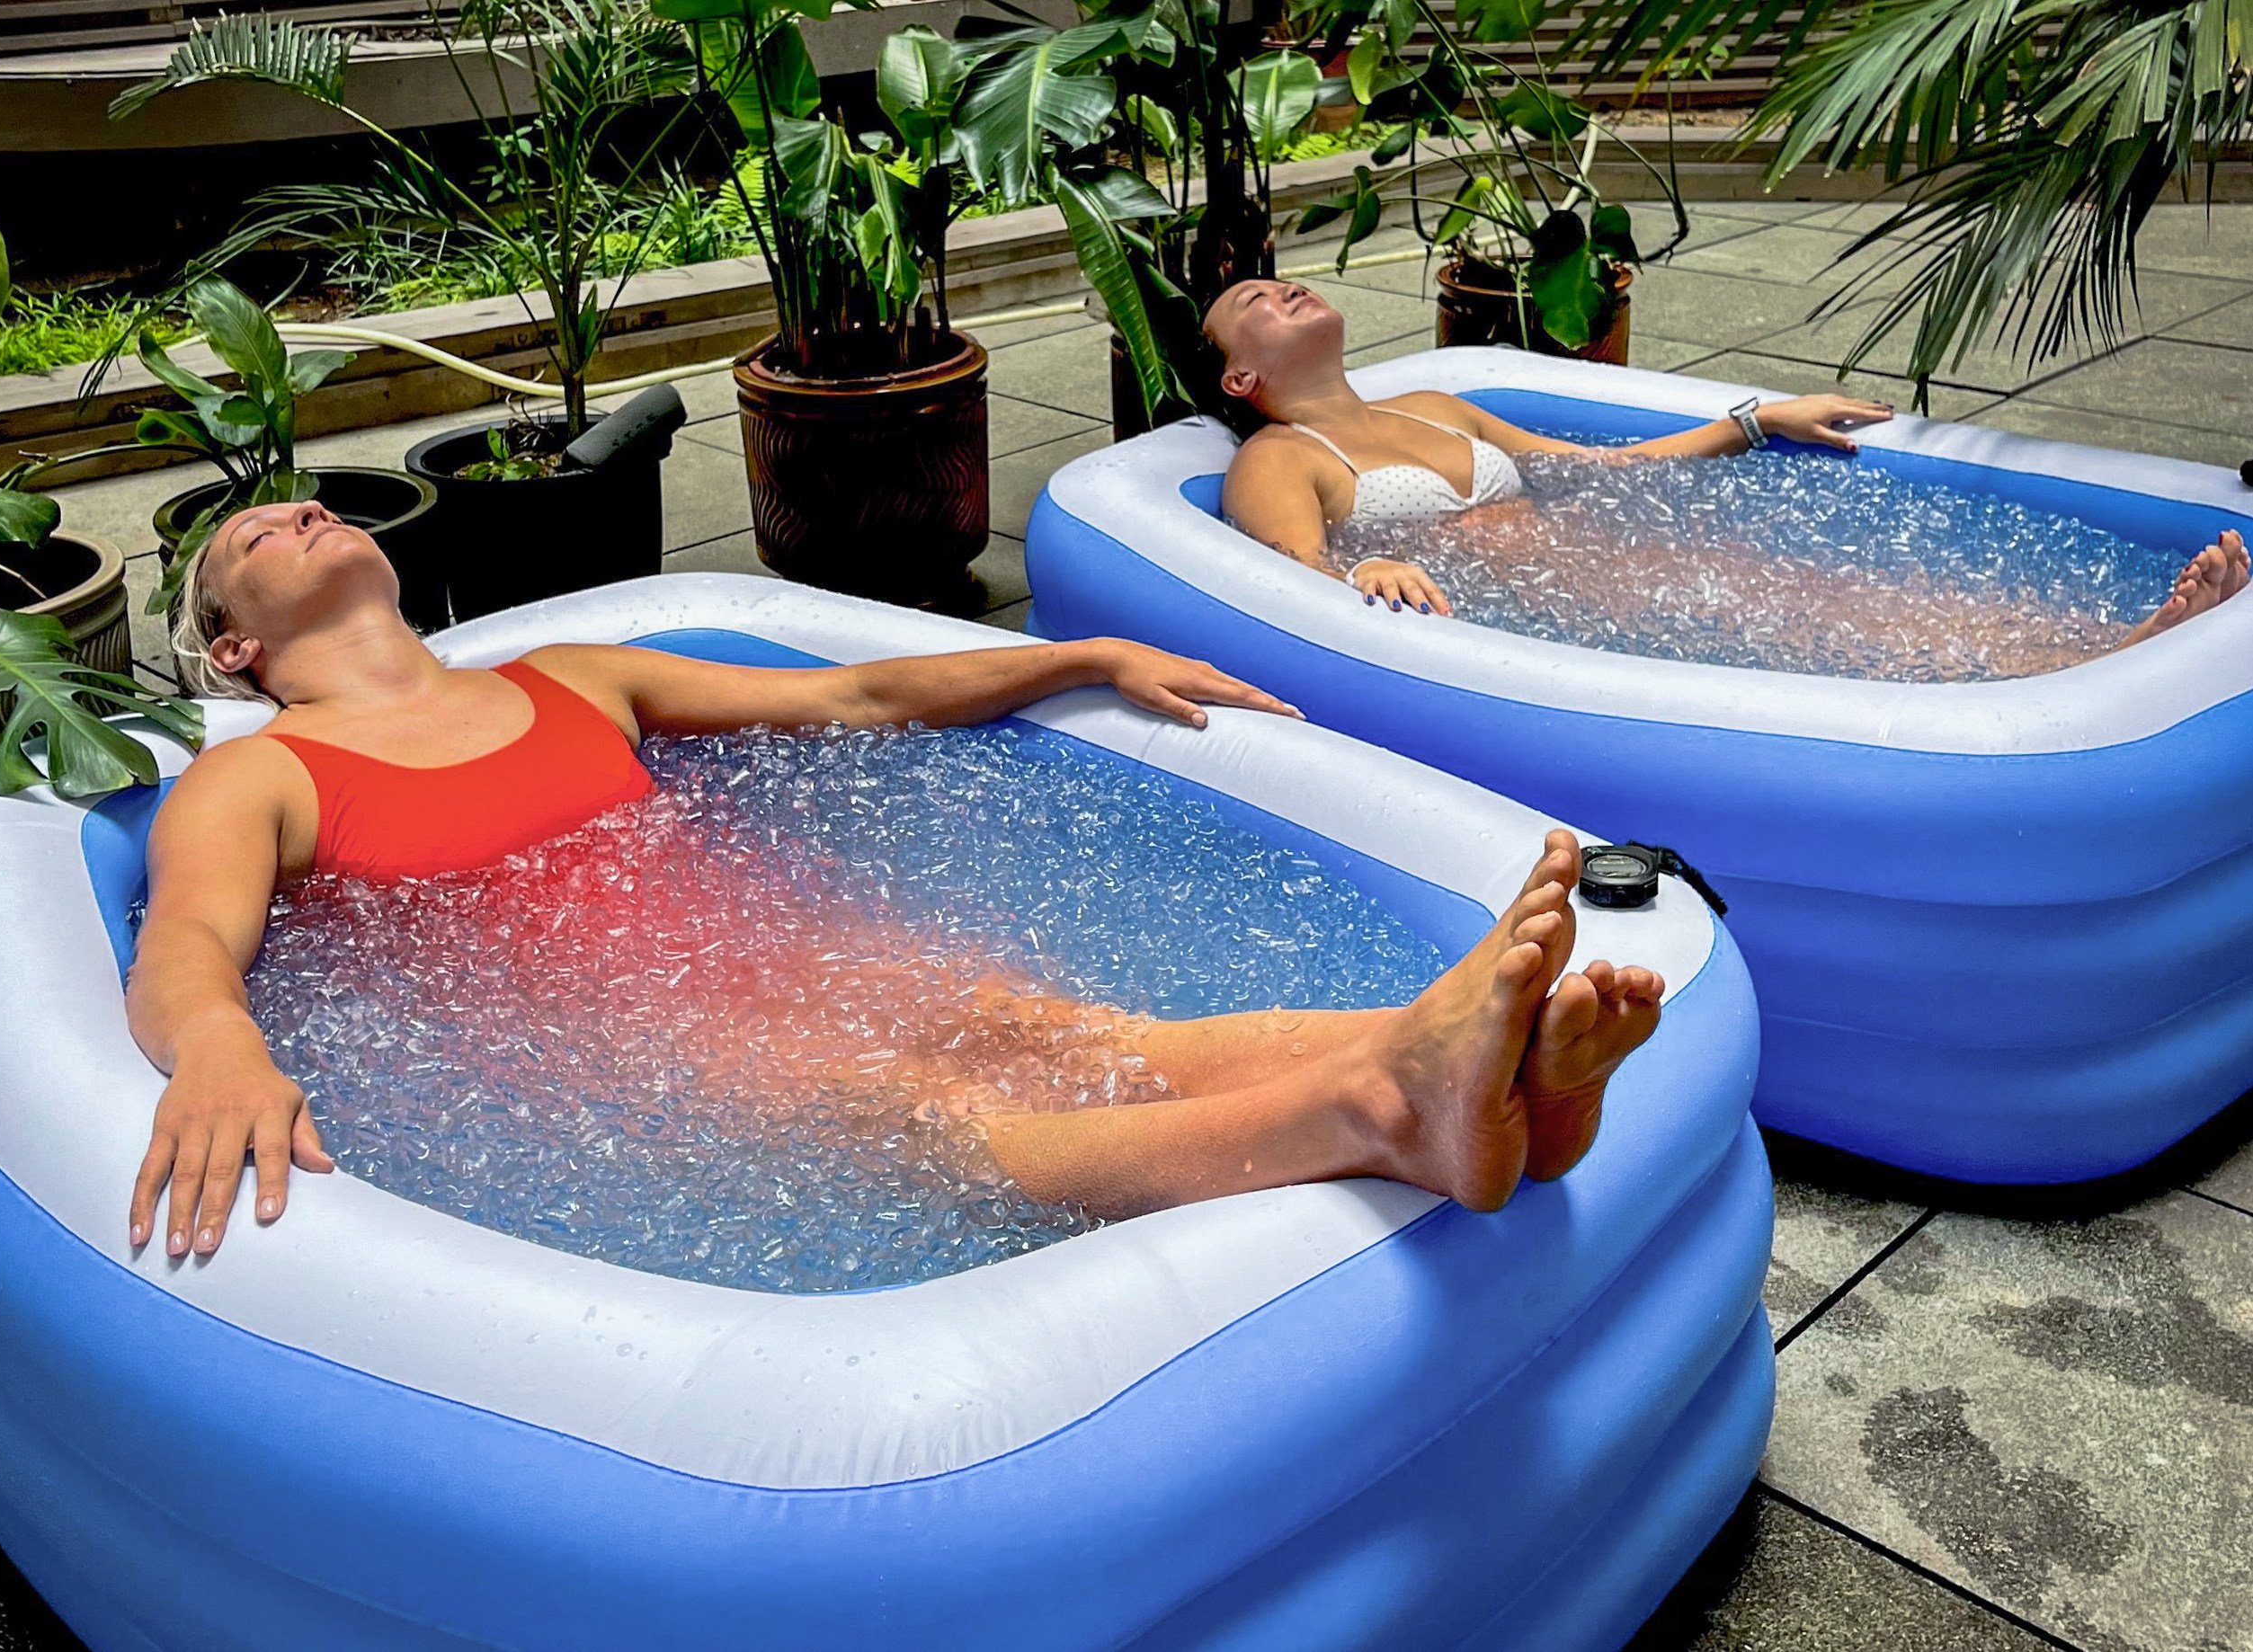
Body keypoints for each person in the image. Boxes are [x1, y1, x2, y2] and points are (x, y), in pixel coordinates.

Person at [126, 499, 1664, 1259]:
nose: (295, 510)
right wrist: (218, 1045)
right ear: (230, 647)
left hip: (787, 943)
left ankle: (1495, 1079)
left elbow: (850, 700)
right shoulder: (257, 771)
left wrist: (1074, 648)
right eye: (247, 537)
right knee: (925, 1114)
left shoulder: (569, 673)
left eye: (313, 500)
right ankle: (1385, 1104)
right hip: (623, 1039)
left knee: (1066, 1026)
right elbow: (189, 937)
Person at [1204, 279, 2249, 654]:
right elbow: (1290, 573)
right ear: (1244, 377)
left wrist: (1756, 418)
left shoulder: (1430, 404)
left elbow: (1600, 469)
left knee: (1842, 597)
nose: (1281, 289)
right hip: (1552, 605)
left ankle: (2106, 643)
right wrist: (1358, 573)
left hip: (1607, 557)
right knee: (1831, 620)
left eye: (1284, 280)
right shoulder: (1280, 454)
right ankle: (2118, 647)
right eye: (1253, 301)